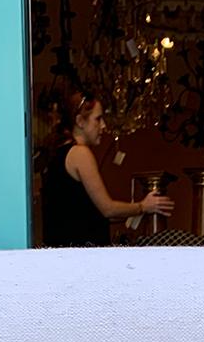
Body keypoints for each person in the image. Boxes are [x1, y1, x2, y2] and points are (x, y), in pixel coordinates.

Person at [41, 91, 173, 246]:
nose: (103, 126)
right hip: (81, 256)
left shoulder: (58, 152)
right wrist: (143, 206)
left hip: (63, 253)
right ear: (80, 121)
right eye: (98, 119)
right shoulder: (80, 153)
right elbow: (107, 209)